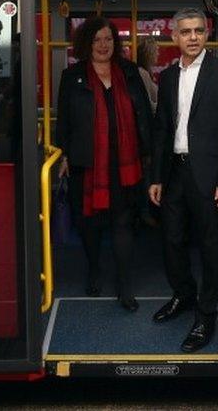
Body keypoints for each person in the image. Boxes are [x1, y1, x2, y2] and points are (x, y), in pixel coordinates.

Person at [148, 8, 218, 353]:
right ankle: (184, 295)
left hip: (211, 176)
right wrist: (156, 175)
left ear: (206, 35)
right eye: (185, 32)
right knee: (171, 240)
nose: (192, 37)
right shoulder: (169, 76)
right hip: (174, 172)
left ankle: (206, 315)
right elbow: (162, 129)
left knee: (210, 246)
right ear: (174, 37)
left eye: (198, 31)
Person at [55, 17, 153, 312]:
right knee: (89, 225)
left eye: (108, 39)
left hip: (126, 164)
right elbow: (65, 121)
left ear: (115, 42)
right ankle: (94, 268)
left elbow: (144, 115)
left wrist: (149, 153)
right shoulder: (72, 76)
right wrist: (63, 155)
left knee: (123, 223)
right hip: (87, 164)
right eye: (97, 39)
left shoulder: (130, 71)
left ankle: (125, 284)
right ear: (87, 43)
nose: (103, 45)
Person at [136, 36, 159, 113]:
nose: (158, 54)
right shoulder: (142, 73)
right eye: (156, 50)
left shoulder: (146, 72)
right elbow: (147, 105)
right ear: (149, 53)